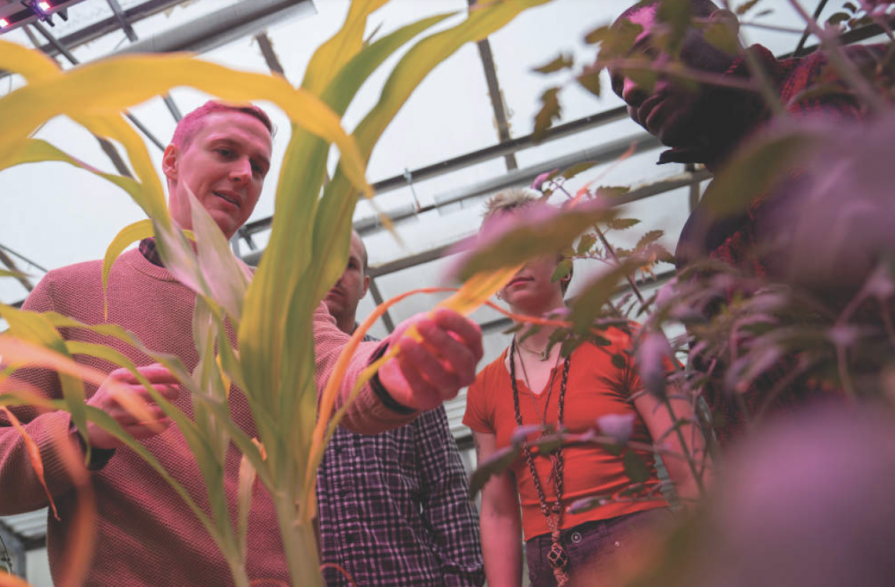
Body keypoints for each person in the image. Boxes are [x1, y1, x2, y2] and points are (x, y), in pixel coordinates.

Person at [0, 101, 485, 586]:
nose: (244, 175)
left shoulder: (281, 304)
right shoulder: (69, 295)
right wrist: (84, 429)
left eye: (258, 167)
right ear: (171, 160)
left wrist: (392, 366)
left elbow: (337, 371)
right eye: (227, 152)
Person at [607, 0, 890, 443]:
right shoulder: (699, 239)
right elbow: (734, 414)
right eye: (616, 87)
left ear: (720, 29)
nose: (628, 91)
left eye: (644, 55)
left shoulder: (844, 81)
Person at [463, 189, 700, 587]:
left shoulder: (628, 341)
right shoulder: (484, 388)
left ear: (564, 263)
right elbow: (499, 513)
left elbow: (691, 468)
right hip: (548, 568)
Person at [317, 231, 485, 586]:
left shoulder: (404, 366)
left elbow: (447, 489)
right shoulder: (272, 381)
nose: (334, 273)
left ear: (364, 285)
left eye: (347, 264)